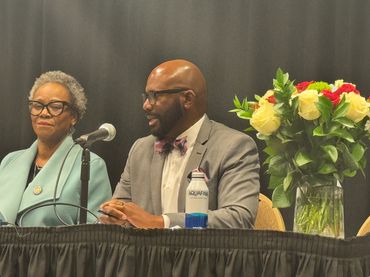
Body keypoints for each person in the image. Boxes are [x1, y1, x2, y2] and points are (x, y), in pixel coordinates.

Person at [100, 59, 260, 228]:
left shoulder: (233, 146)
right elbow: (120, 212)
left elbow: (238, 218)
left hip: (203, 254)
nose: (146, 105)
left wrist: (162, 222)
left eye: (155, 96)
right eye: (146, 97)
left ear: (187, 99)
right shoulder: (140, 150)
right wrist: (112, 216)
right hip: (144, 254)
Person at [0, 71, 112, 226]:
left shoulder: (91, 165)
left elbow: (95, 238)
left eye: (55, 106)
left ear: (74, 116)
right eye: (37, 105)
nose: (44, 113)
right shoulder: (9, 161)